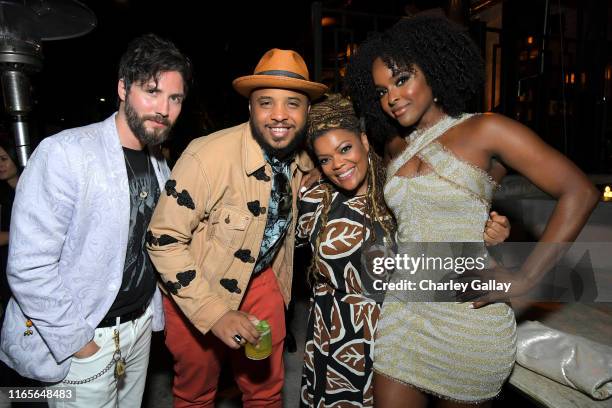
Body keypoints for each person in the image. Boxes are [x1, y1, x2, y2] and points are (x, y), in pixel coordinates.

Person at [345, 15, 599, 407]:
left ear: (432, 69)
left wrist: (525, 278)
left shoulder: (487, 130)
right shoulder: (394, 147)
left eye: (401, 79)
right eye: (381, 90)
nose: (392, 97)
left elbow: (580, 192)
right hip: (403, 315)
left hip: (468, 319)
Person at [0, 33, 192, 407]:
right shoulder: (66, 153)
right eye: (151, 92)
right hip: (83, 339)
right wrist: (79, 342)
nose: (163, 109)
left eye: (175, 98)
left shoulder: (159, 164)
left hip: (137, 332)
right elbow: (28, 266)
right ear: (122, 87)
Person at [297, 94, 511, 407]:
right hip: (336, 332)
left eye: (345, 149)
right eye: (325, 159)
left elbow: (453, 220)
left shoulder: (397, 190)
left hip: (398, 325)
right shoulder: (314, 199)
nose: (338, 163)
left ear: (365, 142)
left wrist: (490, 236)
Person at [146, 48, 327, 407]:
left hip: (262, 284)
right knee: (195, 393)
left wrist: (318, 169)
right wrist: (215, 313)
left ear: (307, 112)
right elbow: (161, 240)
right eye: (266, 103)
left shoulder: (302, 155)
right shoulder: (206, 157)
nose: (279, 115)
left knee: (266, 391)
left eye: (293, 104)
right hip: (197, 286)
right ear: (250, 108)